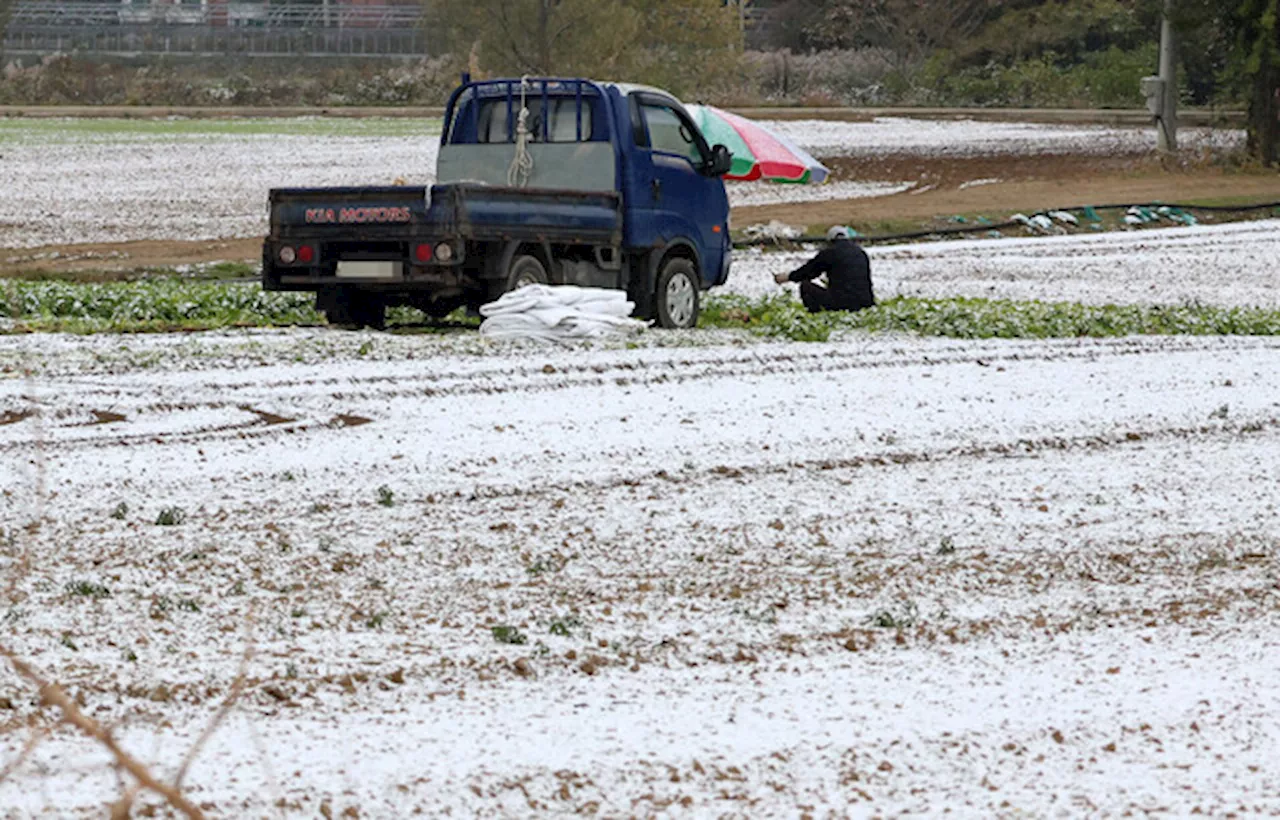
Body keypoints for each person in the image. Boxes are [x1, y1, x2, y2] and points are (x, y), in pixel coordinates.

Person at [773, 225, 875, 313]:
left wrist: (787, 277)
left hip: (842, 303)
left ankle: (815, 313)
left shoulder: (829, 253)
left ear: (830, 240)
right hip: (866, 302)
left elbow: (808, 272)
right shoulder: (861, 253)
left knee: (806, 286)